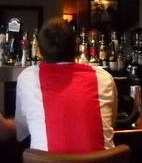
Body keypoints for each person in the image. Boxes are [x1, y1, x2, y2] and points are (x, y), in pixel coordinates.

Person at [15, 17, 117, 153]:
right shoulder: (104, 78)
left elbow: (22, 130)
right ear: (76, 46)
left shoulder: (27, 78)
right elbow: (111, 122)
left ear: (39, 51)